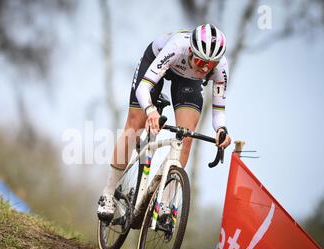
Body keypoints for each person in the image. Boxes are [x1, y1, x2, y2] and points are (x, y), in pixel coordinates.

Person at [97, 24, 232, 222]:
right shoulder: (177, 47)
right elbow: (143, 88)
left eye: (210, 65)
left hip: (188, 81)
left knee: (186, 137)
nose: (204, 68)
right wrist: (150, 111)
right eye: (201, 61)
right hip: (157, 62)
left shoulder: (220, 68)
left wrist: (221, 129)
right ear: (190, 50)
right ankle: (108, 193)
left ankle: (166, 203)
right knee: (135, 126)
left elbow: (219, 110)